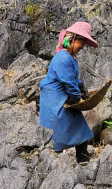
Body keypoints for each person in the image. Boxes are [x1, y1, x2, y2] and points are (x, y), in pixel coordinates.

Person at [39, 22, 99, 164]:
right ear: (72, 40)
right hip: (54, 100)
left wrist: (81, 86)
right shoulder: (63, 58)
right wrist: (76, 97)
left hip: (62, 98)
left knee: (79, 127)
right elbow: (67, 81)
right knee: (54, 133)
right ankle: (51, 162)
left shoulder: (69, 57)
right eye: (81, 43)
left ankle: (83, 160)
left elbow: (72, 79)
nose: (82, 47)